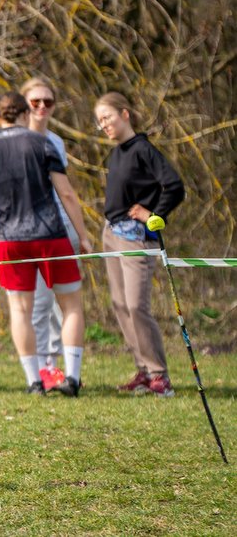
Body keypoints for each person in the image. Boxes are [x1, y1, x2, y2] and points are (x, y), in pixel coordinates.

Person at [0, 92, 92, 396]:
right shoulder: (41, 143)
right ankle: (72, 378)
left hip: (10, 241)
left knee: (20, 311)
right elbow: (68, 194)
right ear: (24, 114)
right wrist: (83, 235)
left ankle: (34, 381)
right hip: (51, 236)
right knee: (71, 305)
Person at [95, 92, 184, 397]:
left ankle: (160, 376)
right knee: (120, 305)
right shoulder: (116, 152)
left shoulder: (143, 149)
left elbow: (174, 186)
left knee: (136, 305)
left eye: (107, 117)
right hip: (111, 232)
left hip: (135, 235)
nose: (103, 124)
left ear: (125, 113)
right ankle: (144, 372)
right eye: (99, 121)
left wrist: (153, 215)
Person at [21, 77, 81, 390]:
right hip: (31, 231)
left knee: (65, 303)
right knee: (38, 304)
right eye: (35, 101)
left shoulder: (56, 142)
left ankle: (58, 368)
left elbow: (66, 191)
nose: (42, 107)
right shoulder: (14, 140)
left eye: (48, 101)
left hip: (63, 227)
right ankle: (42, 368)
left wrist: (80, 232)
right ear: (24, 105)